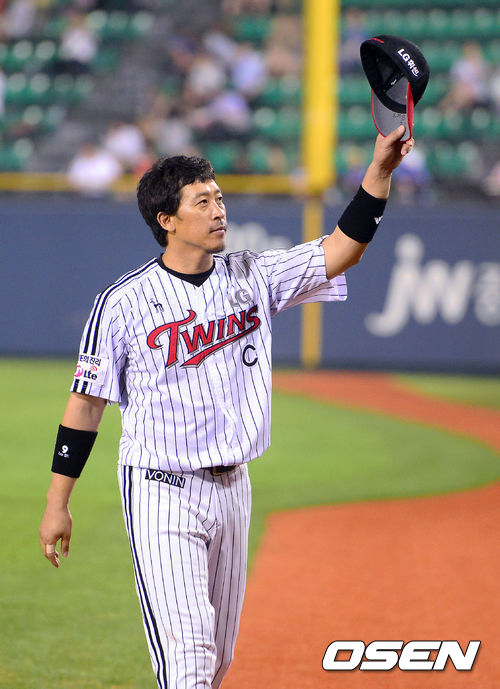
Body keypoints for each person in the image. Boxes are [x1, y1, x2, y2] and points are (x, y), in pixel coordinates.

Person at [40, 124, 413, 689]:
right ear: (167, 220)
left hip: (235, 486)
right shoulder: (122, 303)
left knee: (215, 664)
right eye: (202, 201)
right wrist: (57, 502)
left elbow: (343, 249)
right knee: (189, 660)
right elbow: (86, 404)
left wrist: (380, 170)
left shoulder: (252, 275)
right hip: (160, 488)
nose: (219, 210)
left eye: (218, 197)